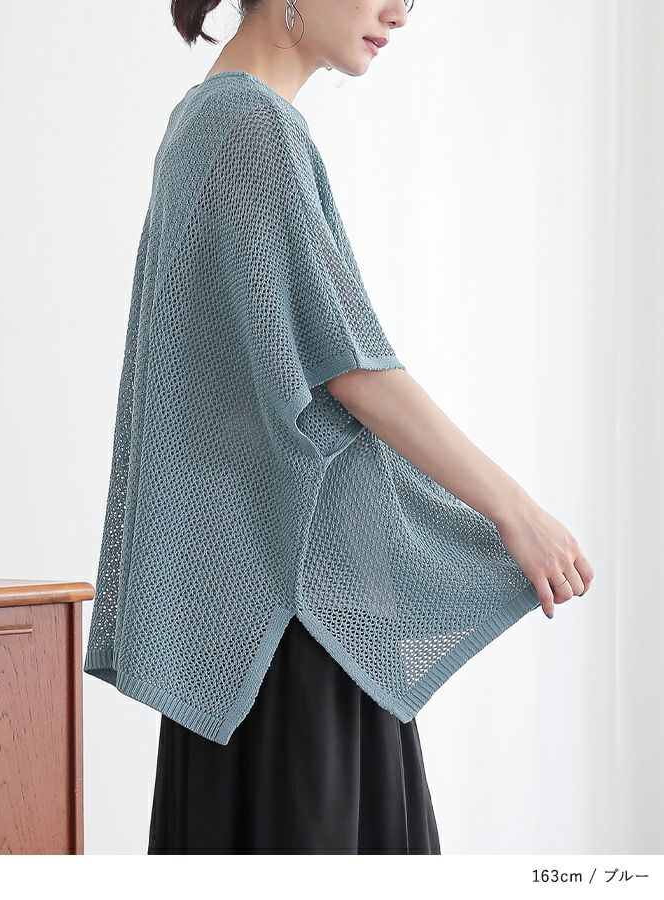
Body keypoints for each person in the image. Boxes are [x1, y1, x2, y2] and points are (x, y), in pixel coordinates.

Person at [85, 0, 595, 854]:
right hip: (292, 620)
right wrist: (515, 509)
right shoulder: (252, 128)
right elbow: (352, 370)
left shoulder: (205, 120)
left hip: (259, 618)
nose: (400, 11)